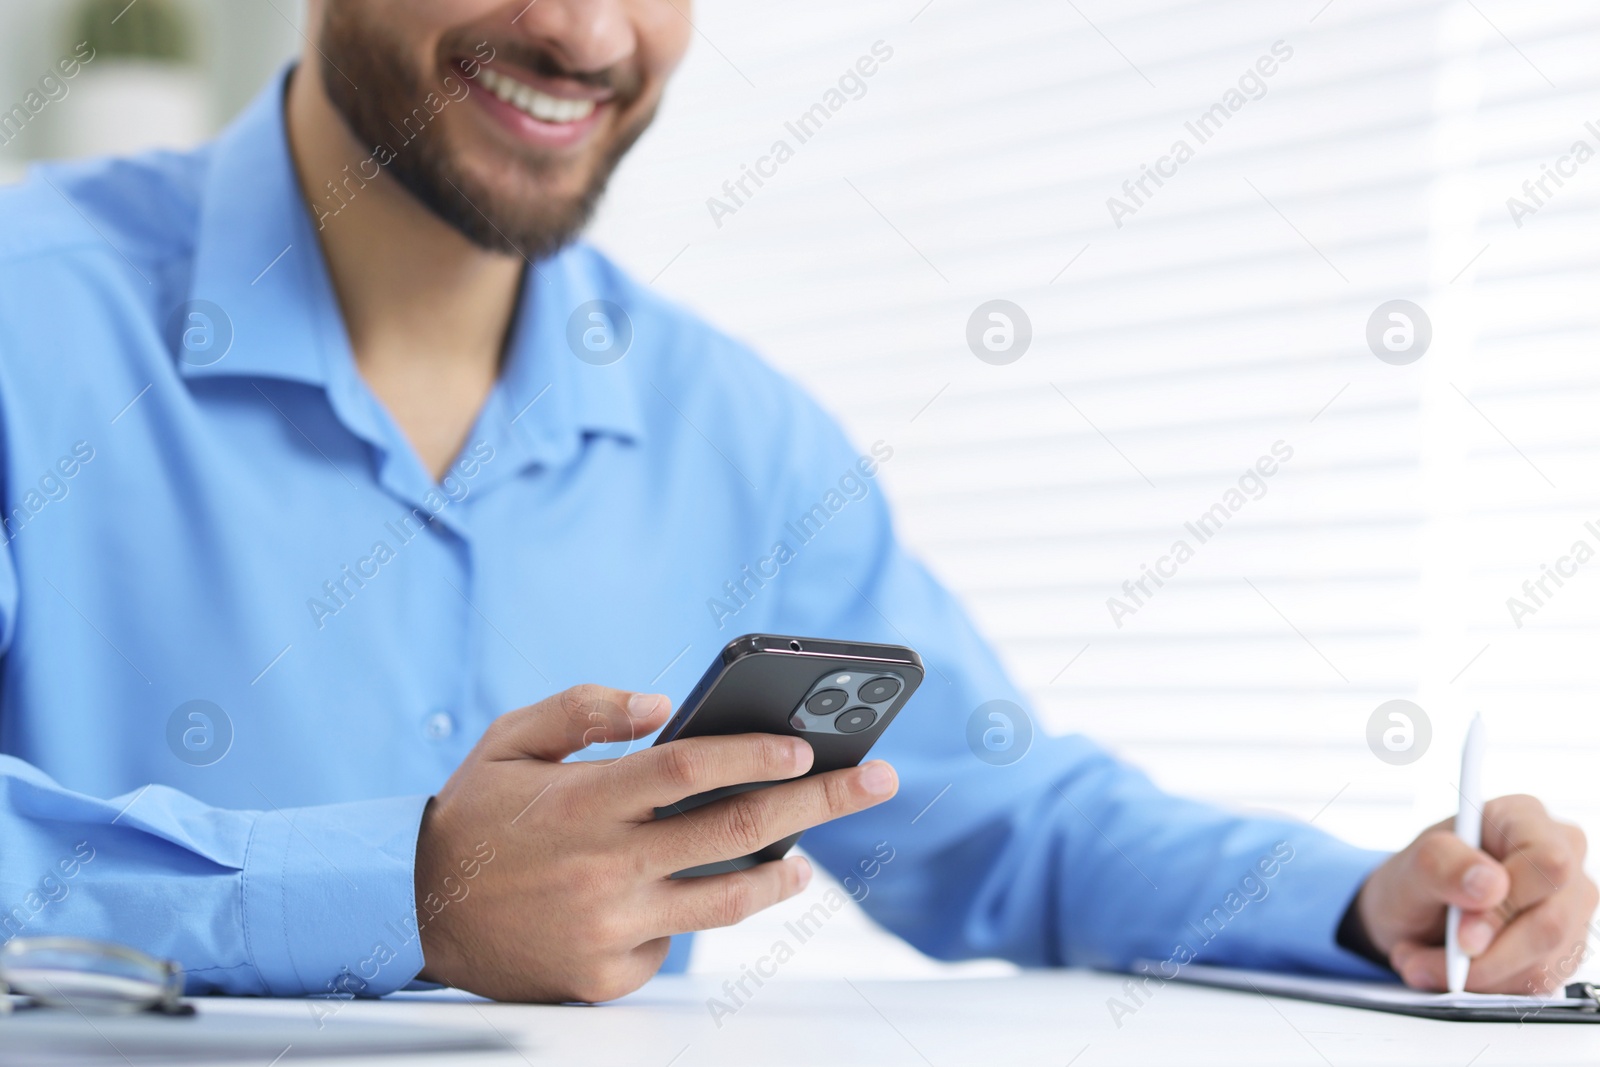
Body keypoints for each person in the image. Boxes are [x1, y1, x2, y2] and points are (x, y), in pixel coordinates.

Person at [0, 0, 1591, 1005]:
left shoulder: (739, 436)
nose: (586, 30)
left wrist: (1365, 906)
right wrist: (401, 894)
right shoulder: (29, 316)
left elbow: (1011, 824)